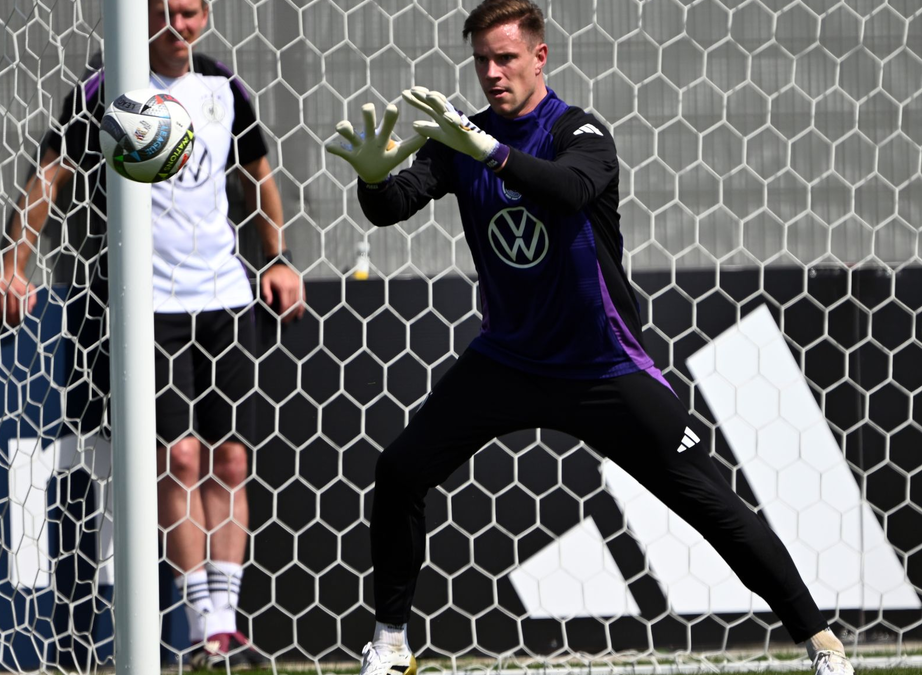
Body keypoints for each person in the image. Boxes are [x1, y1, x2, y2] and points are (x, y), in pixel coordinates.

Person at [324, 2, 854, 675]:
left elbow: (569, 190)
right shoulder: (460, 138)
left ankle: (823, 643)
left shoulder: (580, 131)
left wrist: (484, 148)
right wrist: (373, 180)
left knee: (710, 502)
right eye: (481, 59)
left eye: (506, 57)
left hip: (602, 364)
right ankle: (392, 641)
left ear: (539, 57)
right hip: (509, 358)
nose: (492, 72)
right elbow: (395, 205)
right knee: (399, 471)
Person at [0, 0, 305, 669]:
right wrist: (14, 264)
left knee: (231, 461)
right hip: (148, 307)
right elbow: (50, 173)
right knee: (180, 460)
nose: (177, 27)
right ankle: (201, 630)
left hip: (224, 297)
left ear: (205, 14)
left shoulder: (224, 88)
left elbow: (259, 178)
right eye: (163, 14)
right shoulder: (109, 88)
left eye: (188, 14)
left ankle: (224, 627)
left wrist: (277, 259)